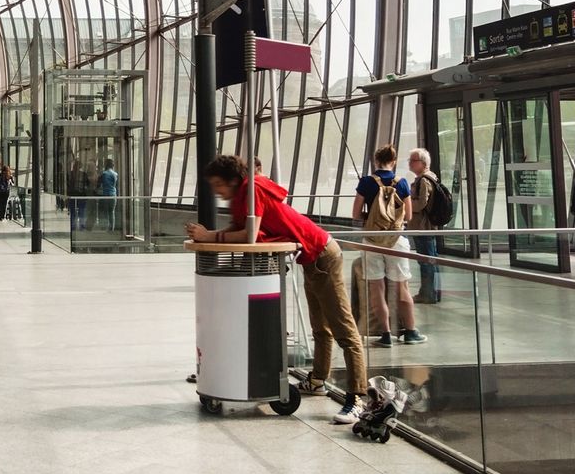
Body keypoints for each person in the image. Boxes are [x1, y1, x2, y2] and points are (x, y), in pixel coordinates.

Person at [187, 154, 369, 425]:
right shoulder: (243, 198)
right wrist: (210, 236)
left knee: (344, 330)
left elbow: (250, 233)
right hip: (313, 258)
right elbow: (243, 230)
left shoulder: (252, 190)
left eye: (219, 184)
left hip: (322, 255)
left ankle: (357, 397)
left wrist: (209, 236)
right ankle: (318, 380)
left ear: (234, 180)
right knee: (320, 327)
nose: (216, 191)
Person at [354, 145, 422, 347]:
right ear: (393, 161)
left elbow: (355, 214)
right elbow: (408, 216)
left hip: (372, 240)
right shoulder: (401, 183)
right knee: (402, 287)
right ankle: (410, 331)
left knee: (377, 288)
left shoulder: (366, 182)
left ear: (376, 161)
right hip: (396, 240)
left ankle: (385, 334)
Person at [407, 147, 445, 304]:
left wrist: (406, 204)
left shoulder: (424, 180)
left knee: (426, 260)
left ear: (422, 163)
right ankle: (432, 291)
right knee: (430, 259)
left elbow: (422, 203)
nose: (410, 164)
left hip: (423, 226)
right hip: (425, 226)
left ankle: (428, 293)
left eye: (413, 161)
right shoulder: (431, 177)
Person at [96, 158, 120, 230]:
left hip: (105, 195)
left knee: (105, 212)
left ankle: (106, 227)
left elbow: (98, 184)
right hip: (113, 195)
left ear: (106, 165)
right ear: (112, 165)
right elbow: (116, 185)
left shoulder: (104, 174)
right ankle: (111, 228)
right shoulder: (116, 174)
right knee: (112, 212)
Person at [69, 161, 92, 230]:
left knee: (74, 212)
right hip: (81, 195)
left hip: (73, 195)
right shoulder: (83, 174)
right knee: (81, 211)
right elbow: (88, 184)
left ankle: (73, 226)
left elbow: (68, 184)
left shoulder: (71, 174)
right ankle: (81, 226)